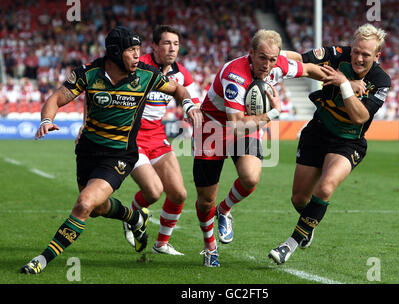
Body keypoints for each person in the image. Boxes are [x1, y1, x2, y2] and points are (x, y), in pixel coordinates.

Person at [21, 26, 202, 274]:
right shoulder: (89, 73)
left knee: (84, 204)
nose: (138, 56)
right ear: (116, 52)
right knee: (95, 209)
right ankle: (133, 218)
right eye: (132, 50)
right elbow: (55, 99)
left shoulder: (147, 75)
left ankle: (41, 259)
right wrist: (46, 120)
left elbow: (178, 89)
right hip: (88, 152)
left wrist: (189, 105)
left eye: (139, 50)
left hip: (119, 154)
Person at [193, 29, 326, 267]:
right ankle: (209, 246)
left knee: (250, 177)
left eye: (272, 59)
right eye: (262, 57)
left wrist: (342, 81)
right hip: (212, 129)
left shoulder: (279, 65)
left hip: (249, 122)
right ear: (251, 53)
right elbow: (235, 125)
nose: (267, 64)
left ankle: (224, 210)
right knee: (205, 200)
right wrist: (273, 113)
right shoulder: (235, 76)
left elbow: (308, 69)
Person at [268, 23, 391, 265]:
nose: (358, 57)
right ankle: (308, 224)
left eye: (366, 54)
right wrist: (273, 54)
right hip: (317, 132)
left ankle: (288, 245)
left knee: (324, 188)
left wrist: (344, 84)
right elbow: (301, 59)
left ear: (377, 56)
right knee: (299, 199)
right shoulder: (336, 54)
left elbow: (360, 117)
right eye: (356, 51)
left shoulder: (381, 81)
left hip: (348, 142)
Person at [121, 25, 200, 256]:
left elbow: (192, 99)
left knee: (179, 194)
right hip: (131, 136)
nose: (172, 48)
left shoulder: (182, 73)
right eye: (166, 43)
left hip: (157, 135)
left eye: (175, 44)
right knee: (154, 193)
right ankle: (131, 216)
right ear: (154, 46)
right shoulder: (137, 64)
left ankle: (161, 244)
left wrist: (192, 110)